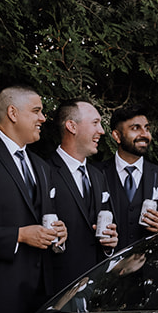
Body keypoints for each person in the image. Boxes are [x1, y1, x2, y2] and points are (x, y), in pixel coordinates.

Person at [0, 85, 66, 313]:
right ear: (13, 113)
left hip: (41, 294)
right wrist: (19, 235)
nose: (43, 118)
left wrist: (60, 234)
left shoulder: (41, 166)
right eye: (36, 111)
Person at [48, 98, 118, 293]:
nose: (102, 131)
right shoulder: (45, 172)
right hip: (56, 290)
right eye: (95, 123)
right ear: (72, 126)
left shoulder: (98, 176)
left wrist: (109, 244)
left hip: (94, 289)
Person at [95, 103, 158, 246]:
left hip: (149, 266)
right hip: (107, 265)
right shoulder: (96, 173)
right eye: (135, 128)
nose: (144, 134)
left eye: (146, 128)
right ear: (117, 135)